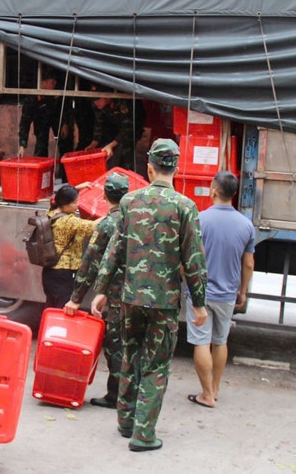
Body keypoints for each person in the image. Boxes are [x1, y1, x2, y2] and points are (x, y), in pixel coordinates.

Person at [91, 138, 207, 452]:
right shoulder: (186, 207)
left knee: (130, 356)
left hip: (130, 298)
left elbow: (113, 253)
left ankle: (125, 422)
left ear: (150, 166)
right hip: (164, 302)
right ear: (177, 167)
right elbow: (194, 260)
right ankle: (144, 434)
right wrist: (199, 303)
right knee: (156, 366)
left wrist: (100, 291)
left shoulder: (129, 202)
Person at [186, 171, 255, 409]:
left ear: (213, 190)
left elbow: (190, 258)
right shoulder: (246, 225)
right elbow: (248, 263)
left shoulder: (199, 219)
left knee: (201, 342)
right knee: (220, 341)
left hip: (200, 293)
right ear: (234, 194)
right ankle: (214, 389)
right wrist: (243, 290)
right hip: (227, 294)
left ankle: (206, 394)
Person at [64, 172, 130, 409]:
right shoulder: (136, 221)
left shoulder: (107, 224)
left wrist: (75, 299)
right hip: (139, 294)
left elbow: (90, 263)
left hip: (114, 295)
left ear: (104, 196)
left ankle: (116, 395)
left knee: (115, 345)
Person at [42, 184, 97, 309]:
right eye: (75, 202)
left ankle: (47, 328)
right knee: (62, 310)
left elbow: (58, 197)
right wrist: (112, 211)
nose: (78, 205)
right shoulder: (67, 221)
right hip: (63, 274)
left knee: (51, 307)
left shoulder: (50, 212)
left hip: (49, 272)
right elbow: (93, 227)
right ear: (66, 204)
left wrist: (76, 188)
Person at [17, 67, 73, 160]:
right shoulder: (32, 98)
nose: (54, 84)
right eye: (52, 82)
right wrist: (22, 145)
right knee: (41, 146)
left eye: (55, 82)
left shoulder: (58, 89)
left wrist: (65, 123)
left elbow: (66, 106)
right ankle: (42, 169)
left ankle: (65, 173)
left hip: (57, 118)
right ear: (43, 83)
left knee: (65, 147)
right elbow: (25, 121)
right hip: (41, 119)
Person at [85, 84, 143, 171]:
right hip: (115, 126)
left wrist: (111, 145)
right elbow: (99, 123)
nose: (95, 102)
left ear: (106, 95)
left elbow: (127, 127)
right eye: (93, 100)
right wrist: (94, 143)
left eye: (97, 99)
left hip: (132, 126)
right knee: (108, 151)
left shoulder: (122, 101)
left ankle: (128, 174)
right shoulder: (97, 105)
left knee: (126, 151)